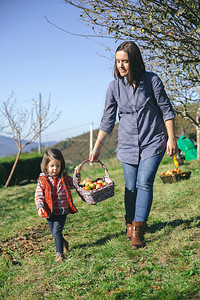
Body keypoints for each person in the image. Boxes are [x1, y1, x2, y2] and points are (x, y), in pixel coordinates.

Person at [90, 41, 178, 248]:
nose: (121, 66)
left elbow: (166, 110)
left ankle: (138, 229)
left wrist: (171, 138)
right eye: (118, 61)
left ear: (134, 62)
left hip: (153, 141)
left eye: (125, 61)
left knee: (144, 182)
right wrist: (97, 147)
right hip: (128, 145)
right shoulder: (113, 88)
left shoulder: (152, 81)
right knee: (130, 188)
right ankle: (129, 224)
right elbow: (107, 121)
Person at [35, 148, 81, 262]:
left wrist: (77, 174)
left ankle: (59, 254)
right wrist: (40, 206)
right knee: (54, 233)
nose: (55, 169)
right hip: (49, 210)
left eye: (58, 166)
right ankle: (64, 242)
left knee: (57, 232)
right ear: (46, 166)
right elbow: (39, 194)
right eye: (52, 166)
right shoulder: (43, 180)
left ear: (61, 165)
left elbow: (74, 184)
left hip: (62, 210)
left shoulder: (64, 177)